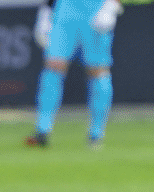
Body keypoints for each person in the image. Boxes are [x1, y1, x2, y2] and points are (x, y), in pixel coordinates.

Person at [27, 0, 125, 147]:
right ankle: (42, 129)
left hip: (96, 8)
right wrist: (46, 12)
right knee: (54, 65)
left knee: (98, 70)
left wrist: (111, 5)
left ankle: (96, 134)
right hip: (65, 9)